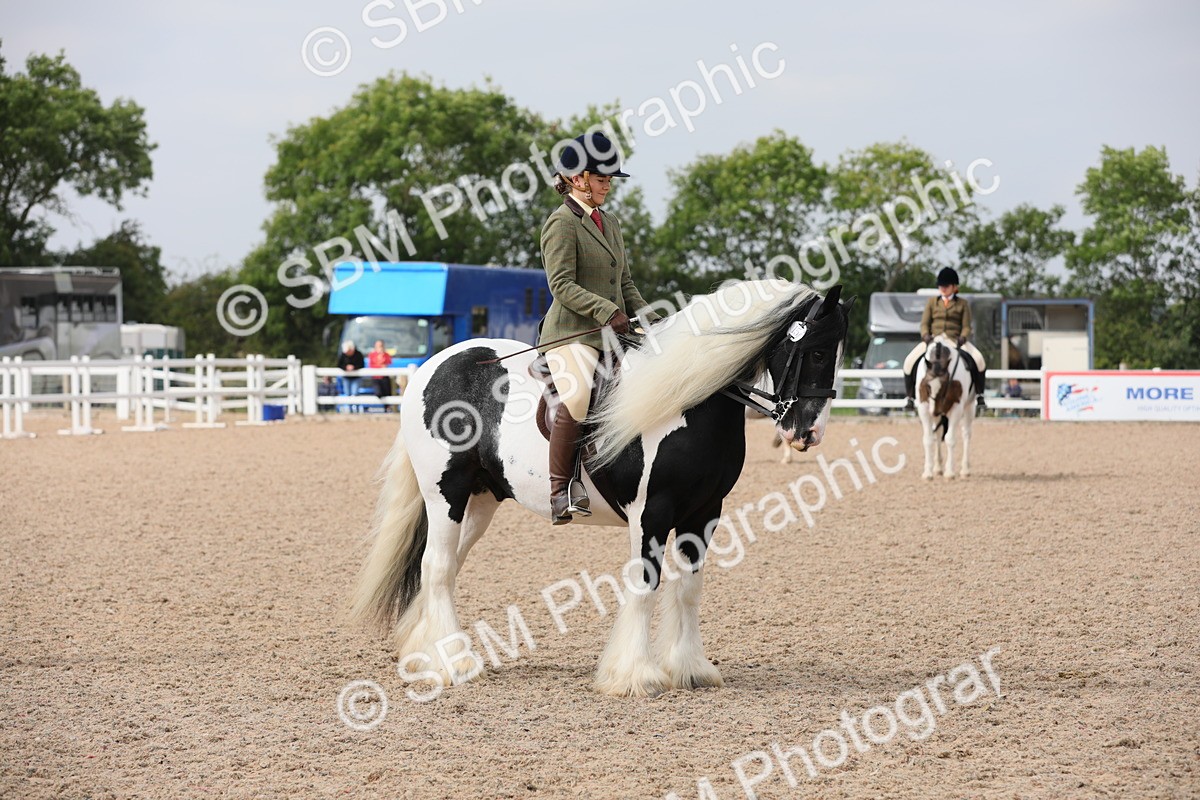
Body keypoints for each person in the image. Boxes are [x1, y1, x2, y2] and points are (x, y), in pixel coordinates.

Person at [539, 131, 660, 525]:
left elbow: (625, 282)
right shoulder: (561, 223)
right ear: (577, 179)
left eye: (610, 179)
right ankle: (560, 490)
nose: (608, 186)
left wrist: (652, 317)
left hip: (613, 331)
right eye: (602, 179)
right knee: (578, 397)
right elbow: (561, 285)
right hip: (572, 334)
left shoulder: (610, 222)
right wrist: (607, 311)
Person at [902, 268, 988, 411]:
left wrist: (963, 337)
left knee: (979, 360)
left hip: (954, 340)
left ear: (954, 287)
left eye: (946, 286)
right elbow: (924, 324)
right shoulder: (932, 302)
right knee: (908, 361)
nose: (943, 288)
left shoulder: (962, 304)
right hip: (933, 340)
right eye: (941, 285)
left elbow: (967, 326)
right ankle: (910, 397)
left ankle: (980, 395)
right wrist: (925, 335)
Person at [337, 340, 365, 410]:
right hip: (346, 378)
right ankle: (349, 409)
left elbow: (361, 365)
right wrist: (346, 367)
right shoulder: (343, 355)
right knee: (347, 393)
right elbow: (339, 365)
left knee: (355, 393)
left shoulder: (358, 354)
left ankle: (356, 409)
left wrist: (354, 367)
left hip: (356, 378)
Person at [367, 339, 394, 411]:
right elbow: (371, 365)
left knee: (387, 392)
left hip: (384, 377)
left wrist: (382, 356)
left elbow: (389, 363)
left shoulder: (386, 355)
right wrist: (380, 365)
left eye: (381, 346)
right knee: (378, 393)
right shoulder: (372, 355)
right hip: (376, 377)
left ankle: (387, 408)